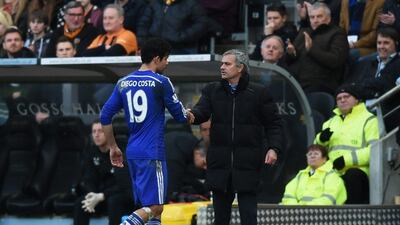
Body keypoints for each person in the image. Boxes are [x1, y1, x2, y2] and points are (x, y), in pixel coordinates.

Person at [186, 49, 283, 225]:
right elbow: (202, 112)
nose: (222, 67)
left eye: (227, 64)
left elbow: (274, 124)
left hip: (248, 162)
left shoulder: (259, 93)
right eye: (222, 63)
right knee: (220, 219)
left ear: (240, 68)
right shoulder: (212, 90)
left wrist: (273, 148)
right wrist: (191, 115)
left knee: (249, 217)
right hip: (220, 163)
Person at [100, 38, 189, 225]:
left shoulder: (123, 83)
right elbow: (181, 117)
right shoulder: (161, 82)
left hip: (132, 152)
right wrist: (191, 114)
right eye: (166, 58)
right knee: (156, 207)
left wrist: (113, 147)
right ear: (157, 59)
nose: (168, 62)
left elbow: (105, 115)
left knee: (153, 211)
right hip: (152, 152)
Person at [314, 83, 379, 204]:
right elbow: (315, 151)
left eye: (346, 96)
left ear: (357, 99)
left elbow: (375, 150)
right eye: (339, 98)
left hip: (358, 173)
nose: (342, 100)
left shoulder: (369, 120)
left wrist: (346, 160)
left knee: (352, 175)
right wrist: (320, 140)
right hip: (333, 171)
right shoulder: (329, 122)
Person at [73, 119, 135, 225]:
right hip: (101, 195)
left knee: (114, 201)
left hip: (122, 194)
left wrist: (102, 195)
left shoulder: (120, 150)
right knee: (82, 203)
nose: (96, 135)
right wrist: (92, 194)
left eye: (100, 131)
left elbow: (124, 184)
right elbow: (88, 178)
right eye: (94, 131)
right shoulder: (91, 152)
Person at [286, 2, 349, 95]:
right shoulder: (304, 32)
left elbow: (335, 60)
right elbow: (288, 60)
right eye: (312, 17)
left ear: (328, 18)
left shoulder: (337, 33)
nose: (315, 20)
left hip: (320, 85)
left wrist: (312, 49)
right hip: (294, 82)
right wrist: (291, 53)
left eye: (319, 16)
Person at [281, 144, 347, 205]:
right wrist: (297, 209)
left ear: (324, 159)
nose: (312, 156)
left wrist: (305, 208)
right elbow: (288, 196)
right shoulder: (300, 175)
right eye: (309, 154)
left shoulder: (332, 176)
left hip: (324, 215)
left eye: (316, 154)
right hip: (299, 214)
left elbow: (328, 200)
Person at [136, 0, 208, 54]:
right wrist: (143, 44)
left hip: (183, 49)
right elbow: (143, 24)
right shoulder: (155, 3)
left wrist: (181, 36)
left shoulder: (191, 3)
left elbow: (202, 24)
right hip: (155, 48)